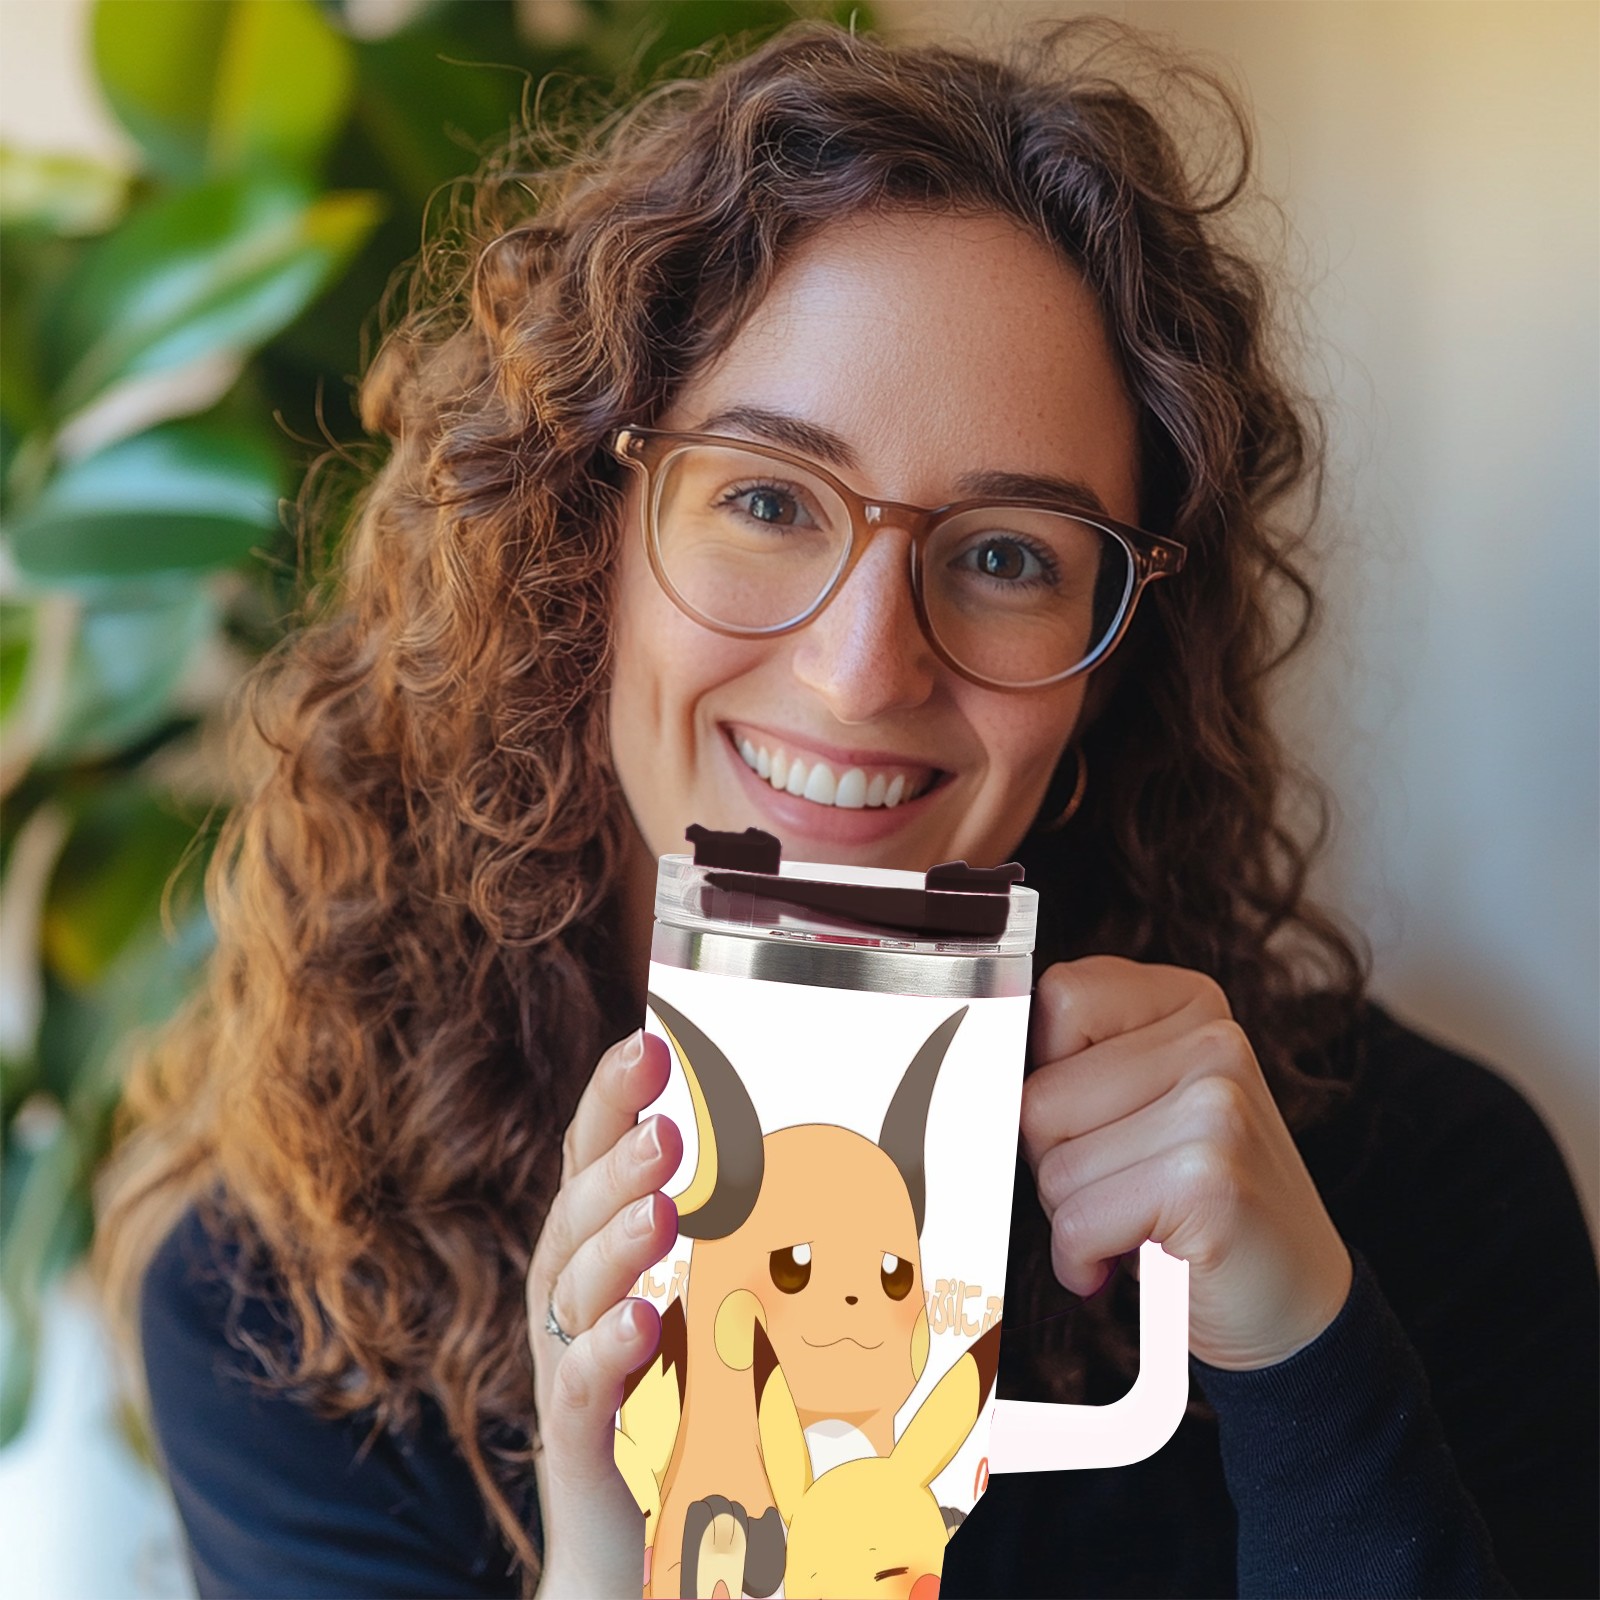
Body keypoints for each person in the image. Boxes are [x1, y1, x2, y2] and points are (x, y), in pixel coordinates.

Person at [97, 17, 1597, 1600]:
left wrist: (1306, 1367)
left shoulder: (1420, 1194)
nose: (864, 671)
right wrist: (612, 1555)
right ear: (580, 547)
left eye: (1007, 554)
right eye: (765, 499)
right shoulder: (292, 1301)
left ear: (1112, 663)